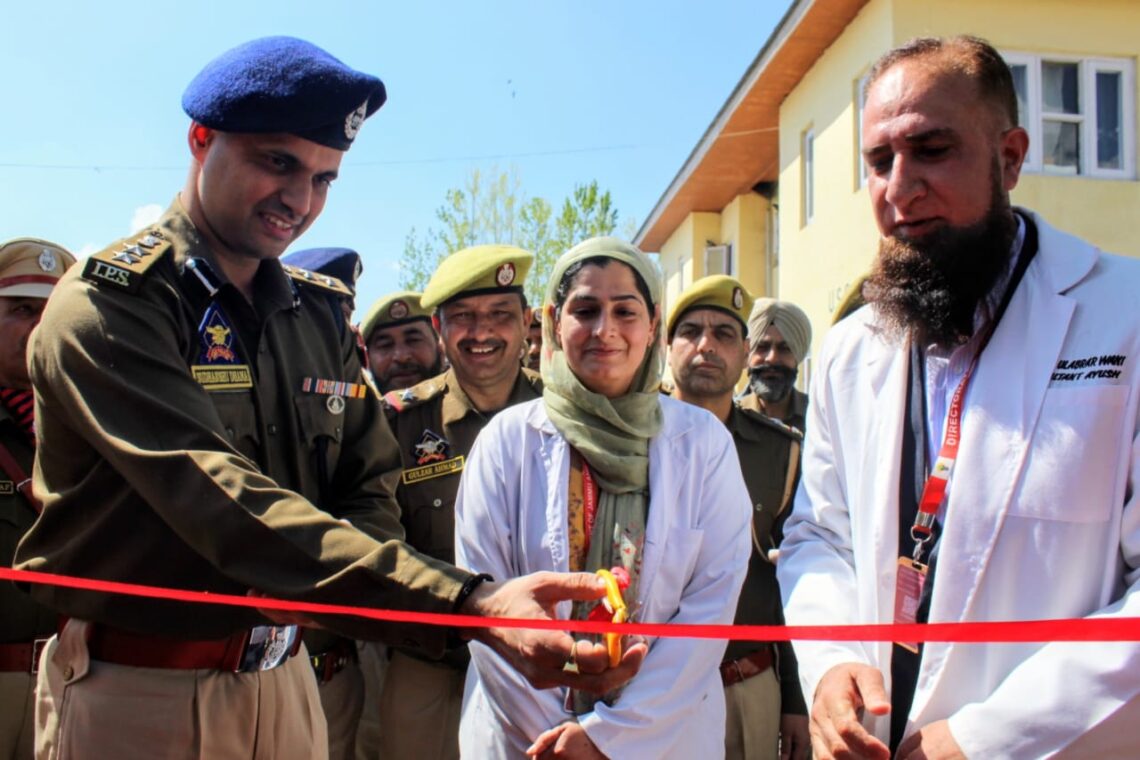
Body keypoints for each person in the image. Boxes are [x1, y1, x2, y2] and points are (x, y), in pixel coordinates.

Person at [13, 37, 642, 760]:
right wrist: (468, 603)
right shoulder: (108, 307)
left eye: (324, 179)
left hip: (287, 683)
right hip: (141, 691)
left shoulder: (315, 315)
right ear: (200, 140)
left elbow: (370, 484)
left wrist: (363, 591)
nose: (300, 200)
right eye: (277, 162)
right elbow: (222, 503)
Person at [777, 35, 1140, 760]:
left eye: (932, 150)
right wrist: (829, 663)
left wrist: (990, 738)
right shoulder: (852, 348)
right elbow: (819, 537)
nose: (899, 188)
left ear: (1009, 157)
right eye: (879, 162)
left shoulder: (1123, 314)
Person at [456, 237, 751, 759]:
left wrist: (609, 739)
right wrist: (557, 740)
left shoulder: (703, 444)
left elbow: (709, 608)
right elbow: (488, 607)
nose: (605, 330)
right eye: (585, 310)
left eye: (625, 311)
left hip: (664, 736)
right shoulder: (507, 442)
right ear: (552, 321)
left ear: (654, 323)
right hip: (525, 736)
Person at [377, 244, 543, 760]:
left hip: (536, 669)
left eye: (500, 315)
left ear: (528, 322)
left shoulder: (563, 414)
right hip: (429, 666)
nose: (482, 333)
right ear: (439, 327)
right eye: (464, 317)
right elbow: (378, 538)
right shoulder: (397, 421)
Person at [666, 274, 809, 760]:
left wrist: (794, 698)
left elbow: (793, 581)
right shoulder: (630, 441)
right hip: (648, 686)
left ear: (744, 350)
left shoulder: (780, 452)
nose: (706, 346)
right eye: (690, 332)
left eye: (724, 334)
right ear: (666, 346)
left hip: (746, 685)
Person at [0, 239, 75, 760]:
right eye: (21, 309)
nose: (38, 327)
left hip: (73, 681)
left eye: (51, 313)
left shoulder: (95, 430)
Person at [739, 298, 812, 432]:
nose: (772, 358)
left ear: (797, 356)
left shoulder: (817, 415)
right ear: (747, 352)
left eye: (784, 349)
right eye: (762, 347)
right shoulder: (728, 419)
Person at [360, 290, 443, 392]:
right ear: (367, 359)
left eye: (413, 340)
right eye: (385, 345)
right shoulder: (354, 403)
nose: (401, 357)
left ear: (440, 347)